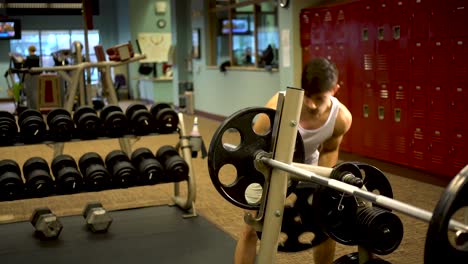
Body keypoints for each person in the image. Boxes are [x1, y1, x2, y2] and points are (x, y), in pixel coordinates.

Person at [234, 57, 353, 264]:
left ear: (335, 89)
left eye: (319, 98)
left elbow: (329, 151)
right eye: (307, 96)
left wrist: (323, 190)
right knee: (252, 228)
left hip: (307, 167)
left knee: (325, 228)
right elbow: (253, 146)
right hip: (267, 166)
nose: (311, 104)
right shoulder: (278, 105)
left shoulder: (341, 118)